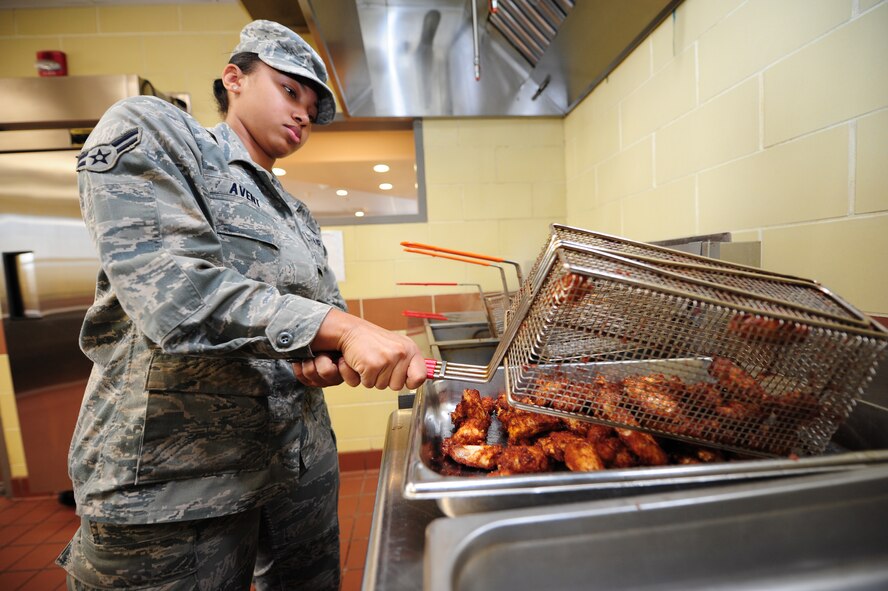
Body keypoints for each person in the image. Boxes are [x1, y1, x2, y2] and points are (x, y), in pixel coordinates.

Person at [55, 19, 426, 590]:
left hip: (294, 465)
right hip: (180, 485)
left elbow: (320, 321)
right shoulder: (160, 134)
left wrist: (326, 356)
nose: (303, 113)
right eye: (289, 90)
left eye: (313, 107)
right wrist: (338, 328)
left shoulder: (296, 215)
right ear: (235, 78)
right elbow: (173, 292)